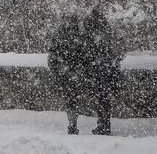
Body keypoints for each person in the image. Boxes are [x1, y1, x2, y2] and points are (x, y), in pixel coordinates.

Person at [80, 7, 125, 136]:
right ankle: (104, 125)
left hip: (98, 72)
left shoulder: (91, 36)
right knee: (104, 101)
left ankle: (103, 126)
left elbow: (88, 52)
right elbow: (114, 53)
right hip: (107, 72)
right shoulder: (105, 34)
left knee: (101, 101)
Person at [47, 14, 88, 135]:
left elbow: (52, 57)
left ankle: (72, 124)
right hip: (75, 75)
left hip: (64, 75)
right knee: (74, 100)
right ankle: (73, 124)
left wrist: (58, 71)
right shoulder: (80, 38)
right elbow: (85, 57)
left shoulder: (59, 37)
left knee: (70, 101)